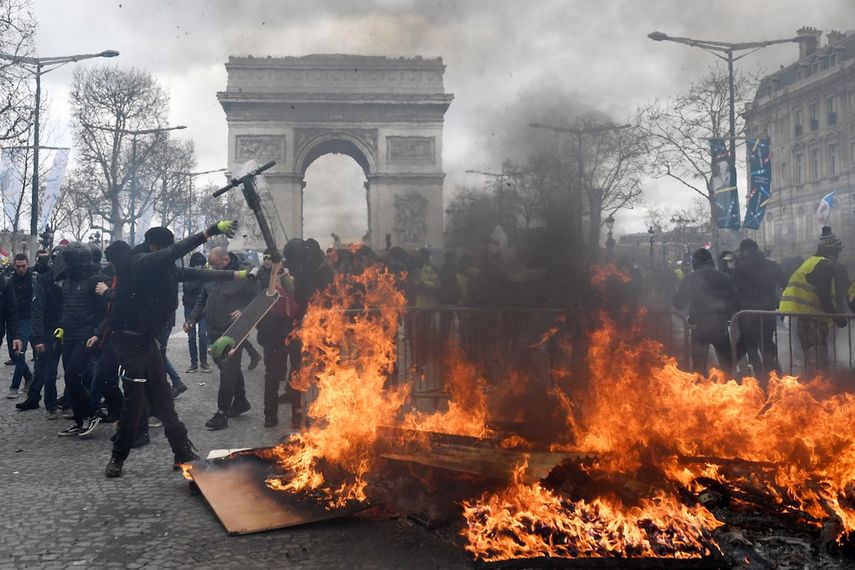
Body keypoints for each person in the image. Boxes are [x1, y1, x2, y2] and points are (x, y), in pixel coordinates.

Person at [104, 221, 241, 478]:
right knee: (133, 404)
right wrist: (209, 231)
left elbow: (198, 274)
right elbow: (174, 252)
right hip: (129, 344)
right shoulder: (140, 262)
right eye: (165, 249)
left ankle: (182, 452)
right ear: (154, 247)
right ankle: (117, 457)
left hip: (147, 342)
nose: (170, 255)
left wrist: (237, 275)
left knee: (164, 400)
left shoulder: (161, 268)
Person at [185, 246, 258, 431]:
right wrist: (192, 319)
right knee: (228, 367)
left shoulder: (244, 275)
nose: (212, 268)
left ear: (225, 261)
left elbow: (257, 298)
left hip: (234, 330)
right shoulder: (212, 275)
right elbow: (202, 300)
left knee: (227, 368)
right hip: (214, 329)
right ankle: (240, 400)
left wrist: (243, 310)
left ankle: (222, 412)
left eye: (215, 265)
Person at [52, 243, 104, 438]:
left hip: (86, 336)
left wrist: (97, 334)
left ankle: (90, 414)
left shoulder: (95, 282)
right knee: (70, 377)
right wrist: (61, 329)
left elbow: (102, 312)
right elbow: (67, 310)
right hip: (70, 335)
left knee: (73, 376)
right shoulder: (67, 283)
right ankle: (79, 419)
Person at [778, 227, 846, 374]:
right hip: (803, 316)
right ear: (832, 251)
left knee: (804, 359)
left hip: (800, 315)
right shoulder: (825, 265)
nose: (838, 255)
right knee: (810, 360)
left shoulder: (812, 262)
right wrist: (835, 316)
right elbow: (823, 293)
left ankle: (805, 391)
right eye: (837, 252)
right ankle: (805, 392)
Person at [673, 248, 740, 375]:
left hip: (699, 328)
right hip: (721, 327)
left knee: (699, 370)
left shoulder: (691, 278)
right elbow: (737, 302)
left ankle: (700, 390)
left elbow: (678, 303)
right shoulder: (725, 277)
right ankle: (730, 390)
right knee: (727, 368)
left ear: (696, 263)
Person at [733, 239, 786, 380]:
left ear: (744, 251)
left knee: (751, 345)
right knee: (766, 344)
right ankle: (772, 378)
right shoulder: (772, 266)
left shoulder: (740, 269)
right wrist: (779, 302)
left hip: (747, 314)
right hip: (767, 313)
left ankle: (759, 377)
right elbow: (785, 283)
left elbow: (735, 291)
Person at [20, 246, 63, 417]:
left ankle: (42, 400)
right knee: (46, 367)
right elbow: (37, 309)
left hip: (57, 328)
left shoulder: (52, 280)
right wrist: (38, 337)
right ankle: (47, 403)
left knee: (46, 367)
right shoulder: (45, 281)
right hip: (50, 329)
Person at [7, 254, 33, 398]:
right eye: (18, 266)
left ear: (27, 264)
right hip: (13, 319)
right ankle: (28, 376)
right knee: (13, 353)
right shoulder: (10, 281)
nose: (21, 269)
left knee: (19, 351)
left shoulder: (33, 280)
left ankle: (14, 386)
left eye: (23, 266)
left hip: (27, 318)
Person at [183, 251, 211, 373]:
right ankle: (193, 363)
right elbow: (189, 287)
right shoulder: (188, 274)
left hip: (203, 309)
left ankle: (204, 362)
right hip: (189, 307)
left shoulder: (206, 275)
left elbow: (209, 289)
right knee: (191, 336)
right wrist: (198, 276)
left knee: (203, 335)